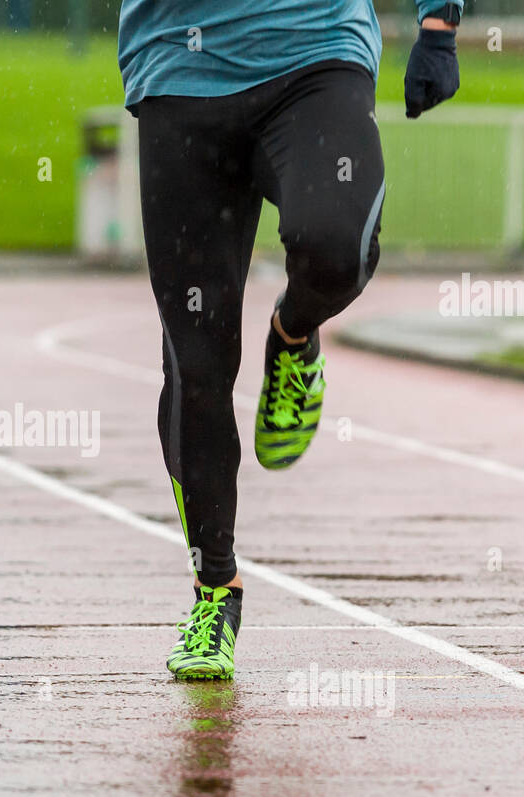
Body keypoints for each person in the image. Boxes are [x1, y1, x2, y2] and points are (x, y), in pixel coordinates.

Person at [117, 1, 462, 679]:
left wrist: (438, 22)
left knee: (337, 247)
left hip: (315, 50)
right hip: (178, 71)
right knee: (197, 362)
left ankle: (293, 334)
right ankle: (215, 587)